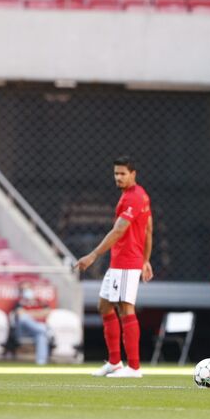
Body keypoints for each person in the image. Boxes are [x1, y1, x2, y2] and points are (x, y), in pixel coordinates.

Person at [75, 156, 153, 378]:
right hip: (120, 261)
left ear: (133, 174)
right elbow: (148, 228)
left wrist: (92, 255)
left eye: (122, 173)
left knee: (125, 308)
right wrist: (146, 259)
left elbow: (119, 231)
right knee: (104, 307)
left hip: (127, 261)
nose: (118, 177)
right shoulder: (135, 195)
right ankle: (114, 363)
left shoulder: (134, 198)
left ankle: (134, 368)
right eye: (116, 173)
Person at [10, 281, 52, 366]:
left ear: (32, 289)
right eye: (23, 289)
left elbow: (47, 312)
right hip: (23, 331)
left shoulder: (40, 301)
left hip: (35, 331)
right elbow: (20, 314)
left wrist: (28, 313)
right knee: (24, 318)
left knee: (41, 336)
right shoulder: (19, 302)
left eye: (27, 289)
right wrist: (38, 313)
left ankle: (41, 362)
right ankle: (45, 330)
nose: (26, 291)